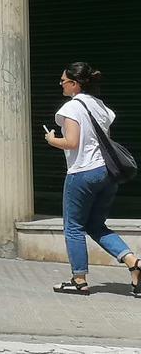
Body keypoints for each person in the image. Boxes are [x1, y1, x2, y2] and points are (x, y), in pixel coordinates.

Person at [46, 63, 140, 296]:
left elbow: (72, 142)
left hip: (82, 172)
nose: (61, 85)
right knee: (95, 225)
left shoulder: (71, 108)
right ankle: (134, 264)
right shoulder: (100, 106)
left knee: (73, 227)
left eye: (63, 81)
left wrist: (51, 139)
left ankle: (79, 280)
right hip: (107, 173)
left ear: (74, 84)